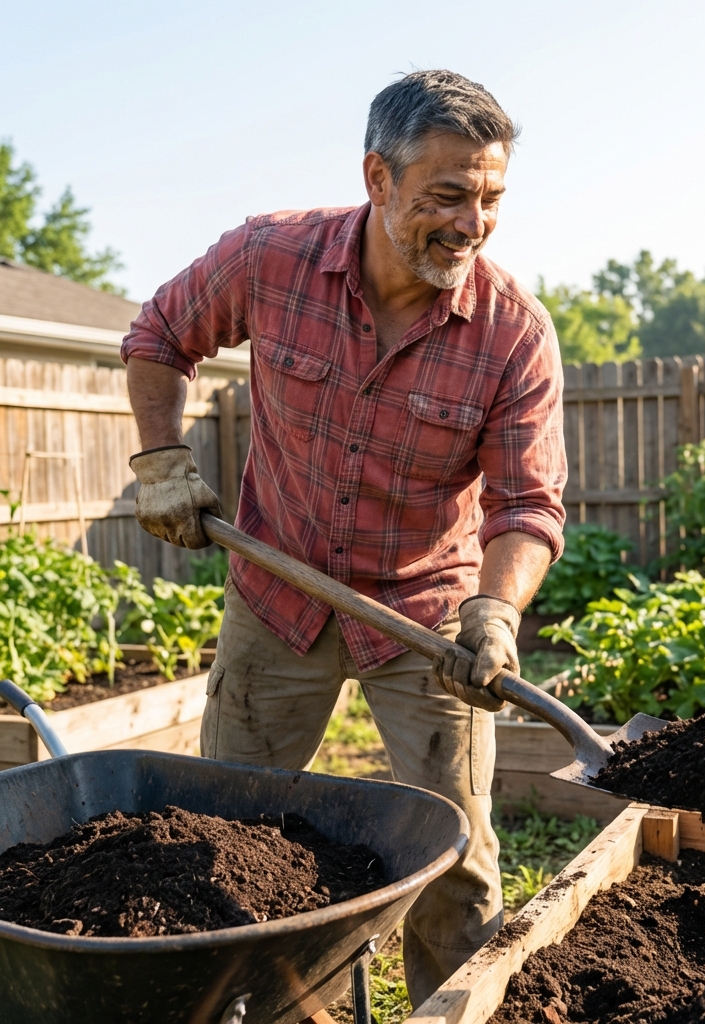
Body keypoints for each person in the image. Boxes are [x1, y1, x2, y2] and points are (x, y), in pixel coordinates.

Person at [121, 69, 566, 1007]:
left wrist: (494, 611)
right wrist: (160, 460)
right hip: (275, 598)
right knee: (222, 833)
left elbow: (528, 504)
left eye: (491, 199)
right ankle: (260, 1007)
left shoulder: (513, 334)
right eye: (448, 195)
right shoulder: (271, 259)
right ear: (377, 177)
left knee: (457, 862)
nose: (472, 223)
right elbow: (159, 334)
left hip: (426, 622)